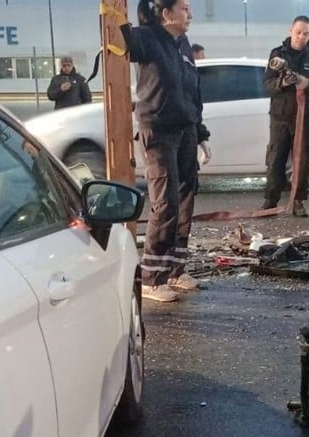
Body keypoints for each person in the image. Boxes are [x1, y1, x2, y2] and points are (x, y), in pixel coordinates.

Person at [112, 0, 210, 303]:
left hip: (186, 131)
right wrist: (114, 10)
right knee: (165, 203)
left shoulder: (182, 44)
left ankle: (175, 270)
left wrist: (201, 134)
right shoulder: (148, 38)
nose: (190, 14)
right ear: (166, 14)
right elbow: (120, 32)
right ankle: (152, 278)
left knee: (184, 200)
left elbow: (194, 92)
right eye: (183, 8)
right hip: (159, 131)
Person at [261, 16, 309, 217]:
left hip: (306, 118)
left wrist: (307, 83)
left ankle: (299, 201)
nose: (301, 36)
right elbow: (267, 84)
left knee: (302, 160)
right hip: (280, 117)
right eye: (298, 32)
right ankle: (271, 201)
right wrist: (282, 83)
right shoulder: (277, 54)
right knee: (276, 159)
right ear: (291, 30)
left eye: (306, 33)